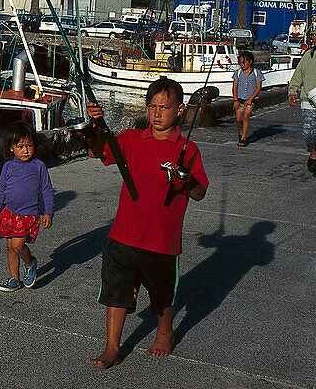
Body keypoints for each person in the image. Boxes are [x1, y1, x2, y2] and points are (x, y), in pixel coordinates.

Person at [85, 77, 209, 368]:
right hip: (124, 233)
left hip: (162, 240)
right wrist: (96, 126)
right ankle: (112, 347)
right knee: (116, 291)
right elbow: (99, 152)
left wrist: (186, 180)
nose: (156, 113)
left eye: (164, 108)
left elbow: (200, 192)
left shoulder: (188, 150)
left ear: (179, 110)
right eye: (152, 106)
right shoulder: (130, 138)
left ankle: (165, 332)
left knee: (162, 294)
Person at [0, 121, 53, 291]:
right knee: (11, 248)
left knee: (18, 246)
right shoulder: (8, 166)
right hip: (9, 214)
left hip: (28, 215)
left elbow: (46, 189)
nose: (25, 150)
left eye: (29, 145)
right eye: (20, 146)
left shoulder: (38, 166)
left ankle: (30, 263)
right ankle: (14, 278)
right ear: (11, 148)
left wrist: (48, 211)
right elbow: (1, 190)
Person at [288, 22, 316, 178]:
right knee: (308, 133)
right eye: (313, 35)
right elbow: (299, 74)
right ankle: (314, 152)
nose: (314, 38)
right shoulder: (309, 54)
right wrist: (293, 91)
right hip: (309, 99)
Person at [232, 50, 263, 147]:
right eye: (240, 62)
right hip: (240, 98)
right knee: (238, 119)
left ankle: (244, 137)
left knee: (246, 116)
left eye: (244, 62)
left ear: (250, 62)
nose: (242, 65)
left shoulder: (256, 73)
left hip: (251, 99)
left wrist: (250, 99)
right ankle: (241, 131)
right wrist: (235, 100)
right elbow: (235, 87)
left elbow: (258, 88)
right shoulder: (238, 73)